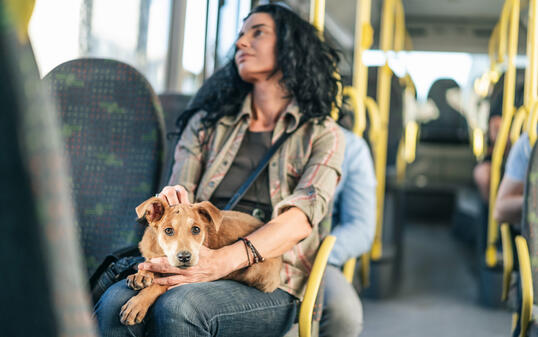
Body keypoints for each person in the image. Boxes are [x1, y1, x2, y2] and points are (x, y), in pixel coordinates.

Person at [94, 4, 345, 337]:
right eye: (240, 35)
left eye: (258, 33)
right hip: (196, 249)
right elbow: (181, 188)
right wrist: (172, 198)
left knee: (179, 308)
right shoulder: (207, 123)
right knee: (114, 305)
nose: (241, 43)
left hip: (269, 278)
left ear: (291, 48)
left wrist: (224, 260)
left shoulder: (323, 134)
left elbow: (299, 219)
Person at [320, 123, 376, 337]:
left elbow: (360, 227)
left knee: (344, 313)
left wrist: (316, 255)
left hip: (314, 251)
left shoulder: (351, 147)